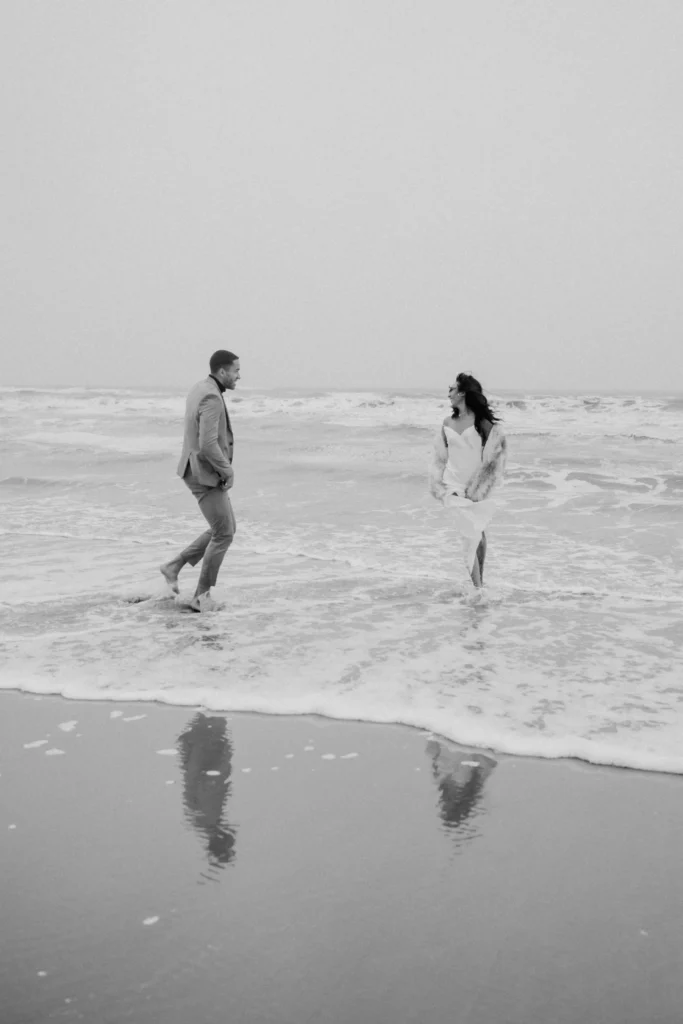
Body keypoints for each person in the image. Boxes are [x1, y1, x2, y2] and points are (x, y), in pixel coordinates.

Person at [160, 350, 240, 611]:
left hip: (194, 468)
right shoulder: (211, 397)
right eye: (236, 371)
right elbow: (207, 444)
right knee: (224, 532)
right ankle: (201, 596)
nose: (239, 376)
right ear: (222, 372)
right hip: (203, 474)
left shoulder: (199, 387)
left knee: (225, 527)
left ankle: (174, 567)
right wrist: (227, 471)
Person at [428, 372, 507, 588]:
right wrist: (439, 484)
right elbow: (440, 457)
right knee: (468, 537)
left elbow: (495, 458)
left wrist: (480, 488)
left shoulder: (483, 423)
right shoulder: (447, 422)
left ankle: (480, 582)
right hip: (453, 486)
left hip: (475, 487)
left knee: (478, 533)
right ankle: (478, 589)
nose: (449, 394)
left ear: (463, 392)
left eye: (452, 389)